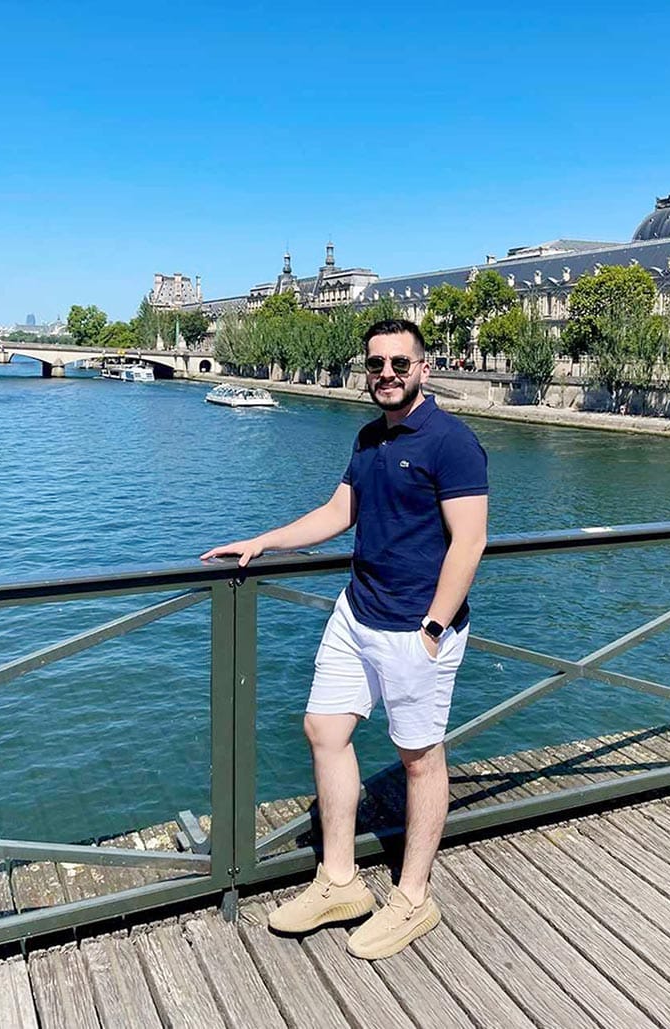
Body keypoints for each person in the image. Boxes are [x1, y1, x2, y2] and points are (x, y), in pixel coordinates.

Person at [200, 318, 488, 959]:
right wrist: (263, 541)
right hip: (356, 614)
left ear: (424, 368)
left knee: (420, 758)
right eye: (376, 364)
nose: (387, 374)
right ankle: (340, 881)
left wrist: (434, 628)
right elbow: (339, 513)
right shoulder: (368, 437)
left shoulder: (452, 442)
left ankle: (413, 899)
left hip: (416, 626)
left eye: (400, 363)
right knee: (324, 731)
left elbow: (470, 541)